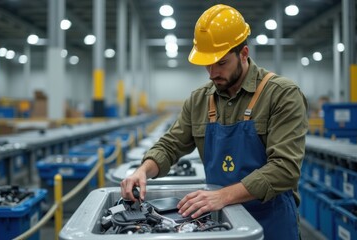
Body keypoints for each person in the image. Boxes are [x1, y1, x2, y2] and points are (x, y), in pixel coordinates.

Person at [120, 4, 308, 239]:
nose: (212, 73)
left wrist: (223, 196)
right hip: (220, 224)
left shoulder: (282, 94)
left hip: (271, 221)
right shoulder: (200, 99)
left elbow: (285, 168)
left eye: (221, 63)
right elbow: (170, 145)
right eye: (207, 64)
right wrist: (143, 170)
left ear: (244, 54)